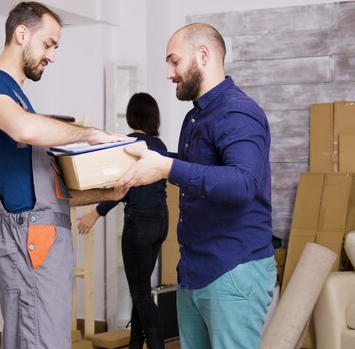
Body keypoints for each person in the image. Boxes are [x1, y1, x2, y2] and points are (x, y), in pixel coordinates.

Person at [0, 2, 129, 348]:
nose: (52, 55)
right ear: (21, 34)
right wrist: (89, 133)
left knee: (46, 339)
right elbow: (23, 129)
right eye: (49, 44)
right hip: (31, 242)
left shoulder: (21, 101)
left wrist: (109, 193)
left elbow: (52, 195)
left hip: (46, 240)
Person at [115, 22, 276, 349]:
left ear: (203, 55)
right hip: (196, 270)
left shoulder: (238, 112)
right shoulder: (198, 116)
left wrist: (167, 167)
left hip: (233, 270)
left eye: (174, 61)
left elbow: (243, 182)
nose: (168, 73)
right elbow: (201, 167)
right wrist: (152, 154)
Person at [77, 92, 169, 349]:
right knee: (140, 291)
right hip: (161, 222)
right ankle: (134, 343)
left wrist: (95, 212)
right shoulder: (158, 146)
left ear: (132, 116)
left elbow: (121, 187)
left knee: (140, 293)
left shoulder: (129, 145)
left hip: (139, 225)